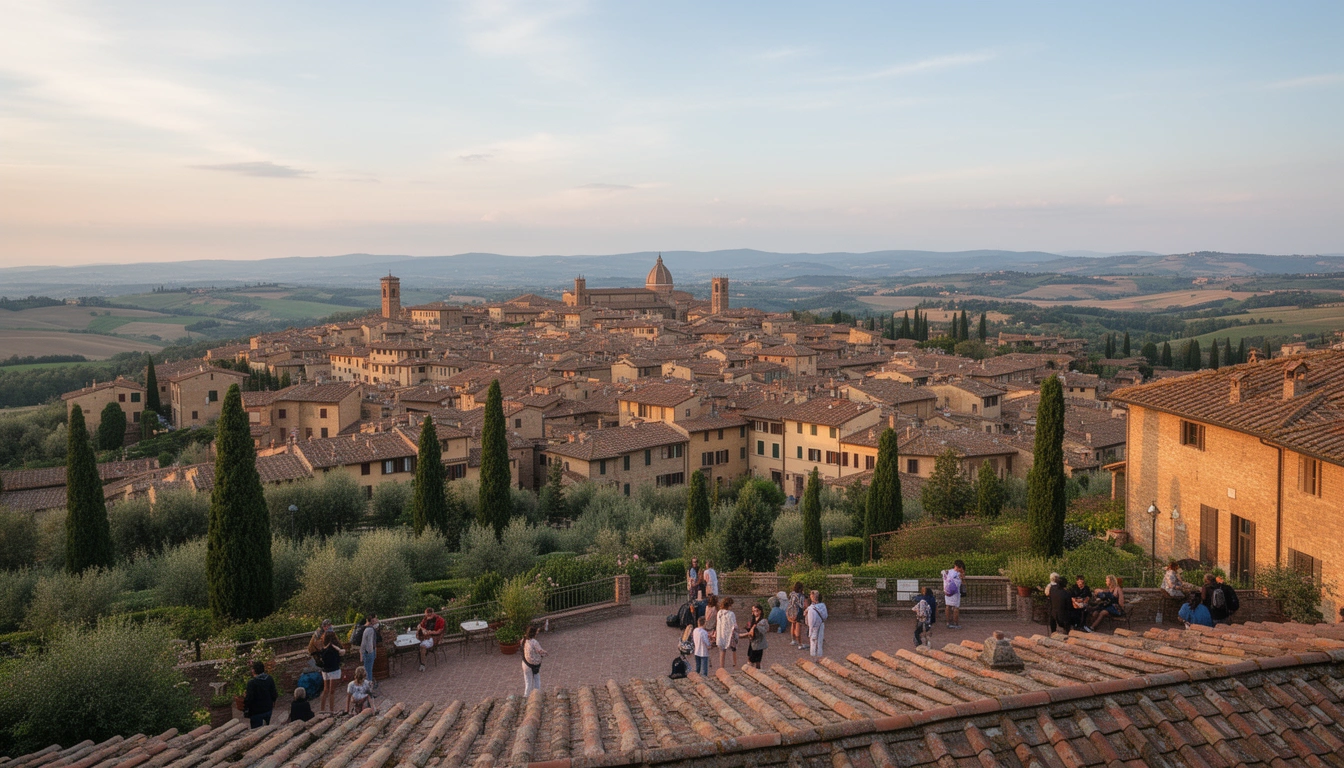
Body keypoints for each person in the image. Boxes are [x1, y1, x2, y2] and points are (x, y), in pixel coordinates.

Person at [243, 660, 278, 728]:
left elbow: (249, 698)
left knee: (256, 730)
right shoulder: (269, 678)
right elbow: (274, 693)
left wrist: (246, 708)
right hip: (268, 708)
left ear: (254, 670)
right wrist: (273, 702)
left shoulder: (252, 683)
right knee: (266, 728)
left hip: (256, 712)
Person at [318, 631, 344, 713]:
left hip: (325, 671)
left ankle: (322, 709)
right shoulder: (335, 649)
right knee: (332, 691)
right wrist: (336, 647)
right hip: (334, 670)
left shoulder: (323, 649)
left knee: (325, 690)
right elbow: (342, 652)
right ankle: (331, 710)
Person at [416, 607, 445, 672]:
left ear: (433, 613)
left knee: (422, 646)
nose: (428, 617)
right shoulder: (425, 619)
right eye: (427, 615)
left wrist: (430, 632)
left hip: (434, 638)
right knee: (417, 644)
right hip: (425, 637)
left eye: (429, 615)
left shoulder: (440, 620)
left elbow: (439, 631)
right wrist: (423, 630)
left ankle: (422, 664)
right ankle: (422, 658)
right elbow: (420, 626)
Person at [741, 604, 769, 669]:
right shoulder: (752, 620)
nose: (756, 613)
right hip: (752, 642)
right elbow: (749, 631)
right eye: (754, 611)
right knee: (750, 658)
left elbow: (765, 630)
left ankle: (757, 671)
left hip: (759, 643)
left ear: (760, 611)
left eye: (757, 611)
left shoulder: (763, 621)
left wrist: (757, 627)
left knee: (757, 660)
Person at [522, 624, 547, 695]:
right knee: (537, 680)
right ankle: (536, 695)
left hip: (525, 663)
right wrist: (546, 653)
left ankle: (526, 696)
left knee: (528, 682)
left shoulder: (524, 639)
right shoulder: (534, 642)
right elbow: (540, 651)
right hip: (534, 664)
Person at [716, 596, 739, 669]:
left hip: (720, 634)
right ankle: (735, 665)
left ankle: (721, 667)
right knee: (733, 649)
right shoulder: (731, 614)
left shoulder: (719, 612)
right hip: (729, 635)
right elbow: (734, 625)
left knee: (722, 651)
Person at [942, 560, 964, 629]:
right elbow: (962, 581)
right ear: (958, 567)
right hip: (955, 593)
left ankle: (948, 622)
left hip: (947, 592)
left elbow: (943, 574)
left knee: (947, 606)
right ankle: (956, 623)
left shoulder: (948, 571)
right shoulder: (959, 574)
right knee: (956, 607)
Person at [359, 614, 380, 689]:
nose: (377, 620)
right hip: (369, 653)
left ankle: (369, 687)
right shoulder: (369, 630)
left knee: (369, 670)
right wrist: (369, 652)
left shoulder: (370, 629)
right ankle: (369, 688)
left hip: (370, 652)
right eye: (376, 619)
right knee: (368, 671)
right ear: (372, 620)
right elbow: (365, 643)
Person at [805, 590, 828, 658]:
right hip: (821, 624)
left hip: (814, 627)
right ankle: (820, 655)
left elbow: (811, 621)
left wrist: (810, 628)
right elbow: (825, 616)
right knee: (820, 641)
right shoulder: (823, 606)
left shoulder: (811, 609)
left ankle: (813, 656)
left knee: (813, 642)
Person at [786, 582, 806, 648]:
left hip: (790, 612)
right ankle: (800, 644)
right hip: (798, 612)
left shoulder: (791, 594)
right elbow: (802, 605)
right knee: (798, 628)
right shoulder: (800, 596)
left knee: (793, 625)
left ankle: (793, 640)